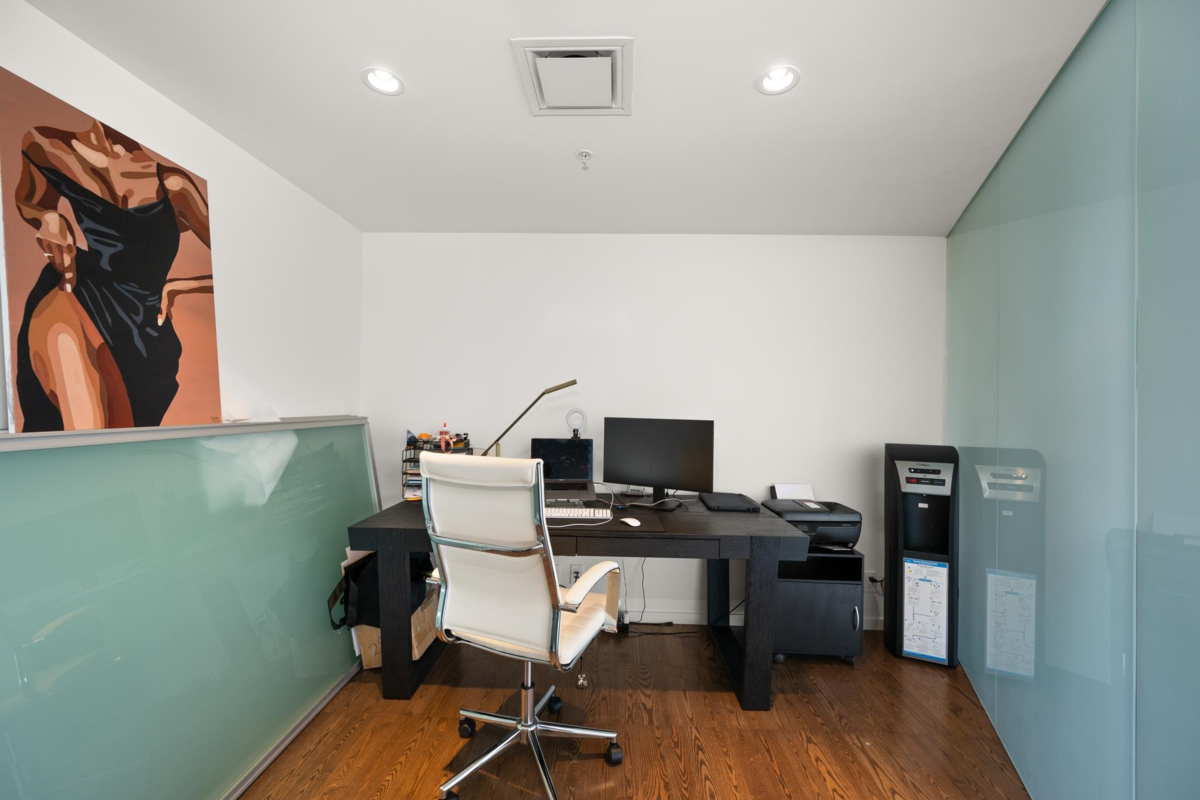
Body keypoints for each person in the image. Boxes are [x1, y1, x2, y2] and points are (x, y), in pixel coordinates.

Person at [13, 119, 213, 431]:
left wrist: (181, 286)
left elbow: (242, 268)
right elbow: (30, 200)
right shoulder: (48, 146)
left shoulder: (173, 184)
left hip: (145, 331)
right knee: (79, 434)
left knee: (114, 442)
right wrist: (47, 218)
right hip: (79, 288)